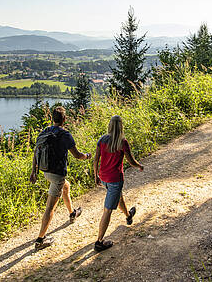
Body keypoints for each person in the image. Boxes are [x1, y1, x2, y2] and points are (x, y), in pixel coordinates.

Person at [30, 105, 91, 250]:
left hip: (45, 171)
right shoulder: (65, 135)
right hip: (57, 174)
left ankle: (72, 213)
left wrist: (34, 171)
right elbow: (77, 155)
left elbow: (36, 152)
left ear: (53, 119)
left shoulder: (45, 132)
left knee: (66, 186)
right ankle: (40, 240)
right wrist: (87, 156)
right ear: (64, 119)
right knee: (50, 207)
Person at [93, 115, 143, 252]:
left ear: (109, 126)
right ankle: (99, 242)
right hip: (115, 179)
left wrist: (95, 175)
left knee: (118, 197)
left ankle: (128, 216)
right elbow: (131, 161)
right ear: (121, 127)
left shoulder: (102, 140)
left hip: (104, 178)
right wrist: (139, 166)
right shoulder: (122, 142)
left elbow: (96, 159)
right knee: (107, 210)